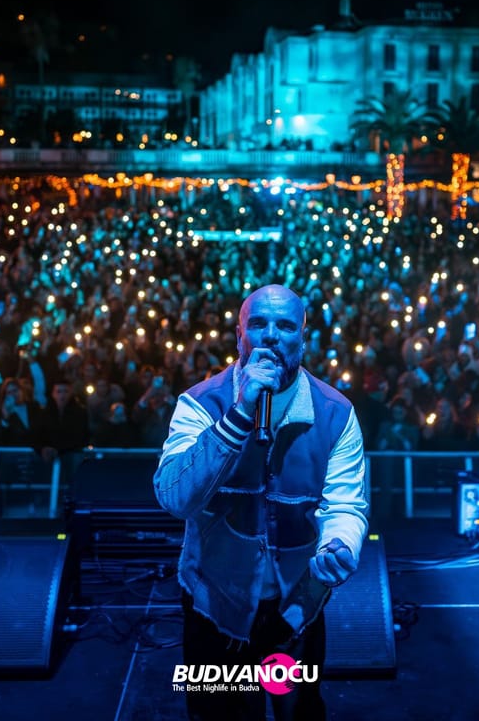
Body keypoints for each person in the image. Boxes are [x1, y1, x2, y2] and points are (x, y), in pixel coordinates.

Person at [153, 284, 369, 721]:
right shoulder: (200, 403)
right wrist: (238, 415)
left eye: (285, 325)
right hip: (216, 606)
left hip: (297, 607)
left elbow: (346, 503)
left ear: (303, 338)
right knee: (220, 715)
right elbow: (175, 497)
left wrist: (340, 543)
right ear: (239, 337)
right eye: (258, 324)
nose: (271, 335)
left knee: (299, 711)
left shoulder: (336, 413)